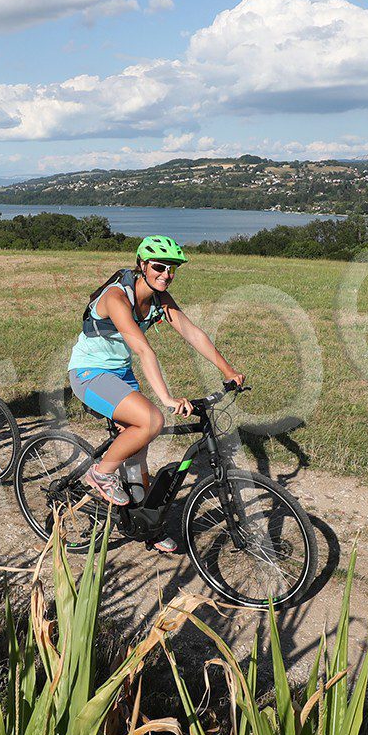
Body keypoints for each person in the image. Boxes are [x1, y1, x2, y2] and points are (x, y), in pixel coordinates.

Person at [67, 235, 243, 553]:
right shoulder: (116, 297)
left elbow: (192, 332)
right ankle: (100, 473)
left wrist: (227, 369)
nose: (166, 273)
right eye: (159, 266)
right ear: (143, 265)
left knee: (137, 456)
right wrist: (166, 398)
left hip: (120, 375)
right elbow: (142, 349)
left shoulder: (161, 300)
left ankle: (146, 526)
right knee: (151, 421)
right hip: (88, 374)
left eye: (172, 268)